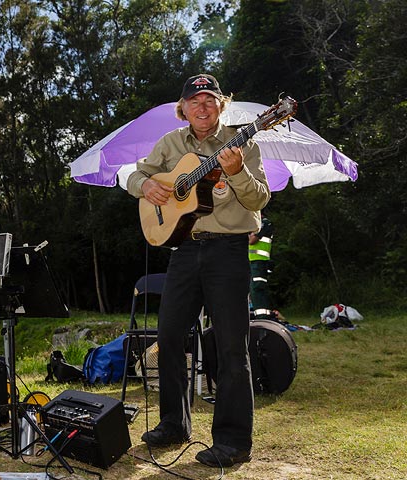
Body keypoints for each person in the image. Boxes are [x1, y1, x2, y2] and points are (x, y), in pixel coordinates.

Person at [126, 73, 270, 467]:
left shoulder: (244, 143)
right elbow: (135, 174)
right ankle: (174, 423)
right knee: (169, 336)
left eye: (209, 100)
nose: (202, 107)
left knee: (229, 346)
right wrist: (146, 187)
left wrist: (237, 170)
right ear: (183, 108)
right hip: (184, 251)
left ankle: (232, 440)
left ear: (221, 105)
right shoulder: (170, 144)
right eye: (195, 101)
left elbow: (261, 197)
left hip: (228, 251)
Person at [249, 216, 274, 320]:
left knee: (257, 289)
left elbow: (252, 240)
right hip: (250, 262)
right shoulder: (252, 225)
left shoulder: (264, 223)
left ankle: (263, 318)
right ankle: (257, 316)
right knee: (251, 291)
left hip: (259, 262)